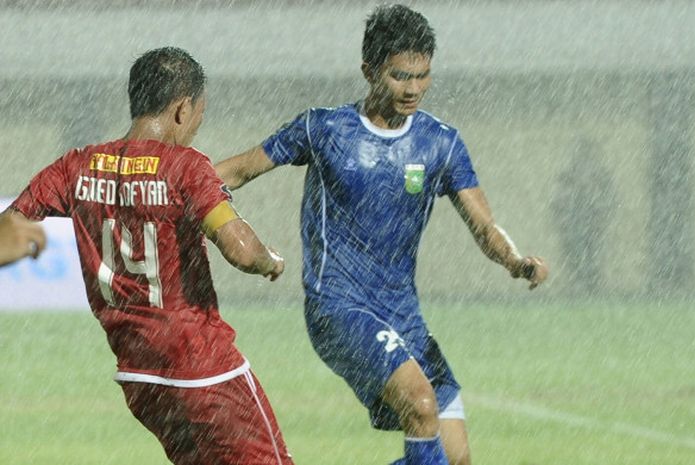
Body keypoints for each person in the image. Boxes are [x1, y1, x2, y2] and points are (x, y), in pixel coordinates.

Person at [215, 5, 548, 465]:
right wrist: (176, 183)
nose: (413, 89)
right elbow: (238, 170)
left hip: (403, 316)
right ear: (369, 70)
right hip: (338, 308)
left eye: (422, 76)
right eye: (399, 76)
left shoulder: (441, 143)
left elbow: (484, 225)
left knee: (453, 459)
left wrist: (514, 261)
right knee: (421, 404)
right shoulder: (324, 128)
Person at [2, 47, 294, 465]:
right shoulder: (186, 167)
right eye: (198, 115)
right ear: (181, 109)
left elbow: (8, 227)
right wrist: (271, 261)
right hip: (202, 367)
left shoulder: (76, 166)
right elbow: (242, 251)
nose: (195, 127)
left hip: (141, 378)